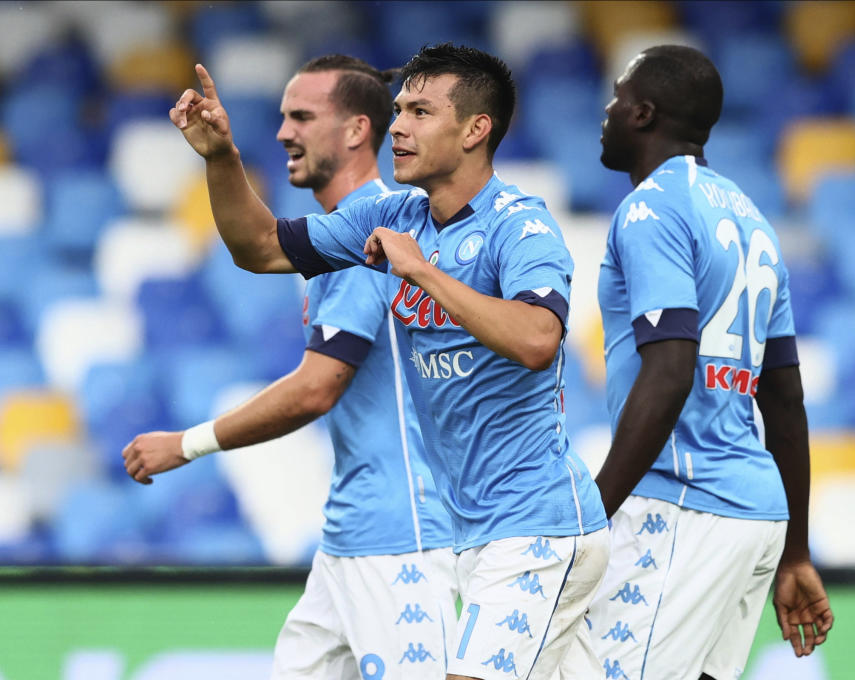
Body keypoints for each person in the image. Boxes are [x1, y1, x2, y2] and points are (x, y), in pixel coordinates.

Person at [163, 43, 610, 680]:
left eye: (421, 111)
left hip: (537, 525)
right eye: (398, 109)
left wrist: (422, 272)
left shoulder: (522, 225)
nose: (397, 125)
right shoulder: (392, 214)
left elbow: (539, 340)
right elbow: (259, 248)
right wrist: (221, 157)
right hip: (471, 529)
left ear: (475, 129)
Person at [122, 55, 457, 680]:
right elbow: (258, 246)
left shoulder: (377, 232)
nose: (282, 133)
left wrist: (187, 444)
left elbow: (317, 388)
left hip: (403, 537)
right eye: (281, 117)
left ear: (358, 130)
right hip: (354, 534)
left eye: (302, 116)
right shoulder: (341, 232)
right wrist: (221, 156)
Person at [588, 44, 834, 680]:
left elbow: (669, 370)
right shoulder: (754, 219)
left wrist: (591, 516)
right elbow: (783, 398)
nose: (607, 109)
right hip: (756, 514)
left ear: (642, 114)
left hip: (681, 505)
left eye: (617, 96)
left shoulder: (650, 209)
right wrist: (795, 551)